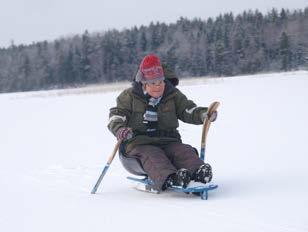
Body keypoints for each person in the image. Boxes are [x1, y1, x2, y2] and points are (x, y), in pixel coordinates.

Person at [108, 54, 217, 191]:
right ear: (143, 83)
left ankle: (199, 173)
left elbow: (188, 110)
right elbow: (117, 115)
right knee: (153, 155)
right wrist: (119, 129)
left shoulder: (173, 95)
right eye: (153, 83)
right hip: (138, 143)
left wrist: (203, 115)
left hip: (168, 140)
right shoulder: (129, 96)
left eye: (160, 81)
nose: (158, 86)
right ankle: (172, 178)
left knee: (184, 151)